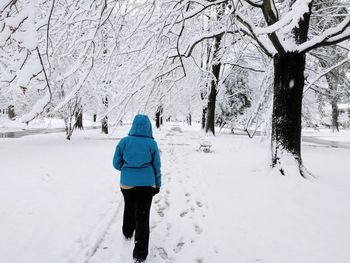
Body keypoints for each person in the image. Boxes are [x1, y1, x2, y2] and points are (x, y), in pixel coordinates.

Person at [113, 114, 161, 263]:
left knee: (128, 206)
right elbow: (156, 167)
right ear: (149, 127)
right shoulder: (152, 144)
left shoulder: (124, 142)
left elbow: (116, 163)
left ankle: (127, 231)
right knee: (142, 216)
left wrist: (127, 170)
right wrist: (158, 184)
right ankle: (140, 254)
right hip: (147, 185)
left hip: (127, 184)